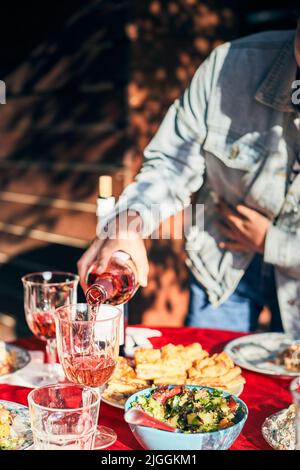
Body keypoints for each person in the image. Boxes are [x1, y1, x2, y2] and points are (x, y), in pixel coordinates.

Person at [78, 15, 300, 338]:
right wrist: (127, 224)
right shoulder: (230, 65)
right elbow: (170, 164)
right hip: (222, 263)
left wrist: (272, 243)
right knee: (208, 381)